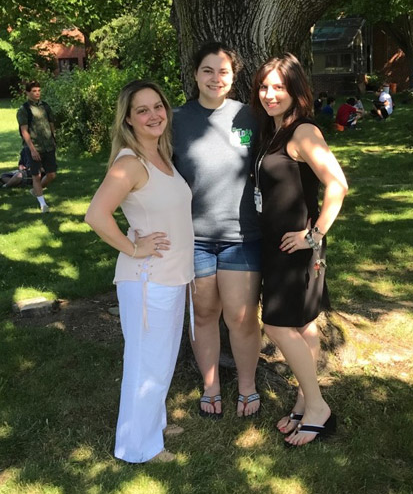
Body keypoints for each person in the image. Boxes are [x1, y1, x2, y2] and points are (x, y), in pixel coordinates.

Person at [85, 80, 194, 464]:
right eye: (142, 110)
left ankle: (153, 422)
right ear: (128, 120)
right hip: (148, 278)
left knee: (160, 359)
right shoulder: (130, 163)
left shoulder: (161, 157)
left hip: (171, 275)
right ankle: (137, 448)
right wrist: (134, 247)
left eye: (157, 106)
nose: (153, 115)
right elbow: (96, 215)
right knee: (146, 361)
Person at [250, 53, 348, 447]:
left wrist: (314, 235)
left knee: (275, 325)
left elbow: (337, 185)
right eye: (264, 86)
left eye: (279, 87)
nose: (270, 94)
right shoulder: (275, 131)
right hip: (278, 247)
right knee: (304, 326)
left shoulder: (303, 131)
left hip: (295, 251)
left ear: (295, 91)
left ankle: (319, 408)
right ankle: (304, 403)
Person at [172, 42, 262, 419]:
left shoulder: (251, 117)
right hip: (193, 238)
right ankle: (210, 386)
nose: (215, 78)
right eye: (207, 70)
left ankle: (247, 387)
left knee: (241, 317)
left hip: (242, 236)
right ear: (195, 74)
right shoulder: (175, 119)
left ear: (234, 76)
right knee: (205, 314)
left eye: (223, 71)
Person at [17, 81, 57, 213]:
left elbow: (51, 123)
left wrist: (54, 138)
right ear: (27, 93)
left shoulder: (45, 106)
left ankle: (35, 191)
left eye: (39, 90)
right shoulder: (24, 110)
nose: (37, 93)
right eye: (34, 91)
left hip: (48, 145)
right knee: (36, 175)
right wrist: (32, 149)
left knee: (51, 174)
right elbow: (24, 131)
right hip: (34, 146)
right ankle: (43, 204)